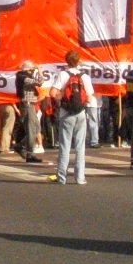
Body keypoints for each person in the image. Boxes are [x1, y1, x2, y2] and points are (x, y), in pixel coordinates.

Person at [48, 50, 94, 185]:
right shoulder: (85, 76)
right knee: (80, 146)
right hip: (80, 114)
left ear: (66, 61)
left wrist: (62, 100)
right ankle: (80, 178)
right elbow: (90, 97)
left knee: (64, 146)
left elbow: (52, 92)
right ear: (79, 61)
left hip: (66, 113)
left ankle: (61, 177)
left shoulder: (63, 74)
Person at [14, 60, 44, 163]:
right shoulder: (23, 77)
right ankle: (30, 153)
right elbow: (40, 82)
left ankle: (20, 145)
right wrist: (39, 71)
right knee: (31, 129)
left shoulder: (25, 77)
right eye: (32, 70)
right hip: (27, 104)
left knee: (37, 128)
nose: (33, 72)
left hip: (30, 104)